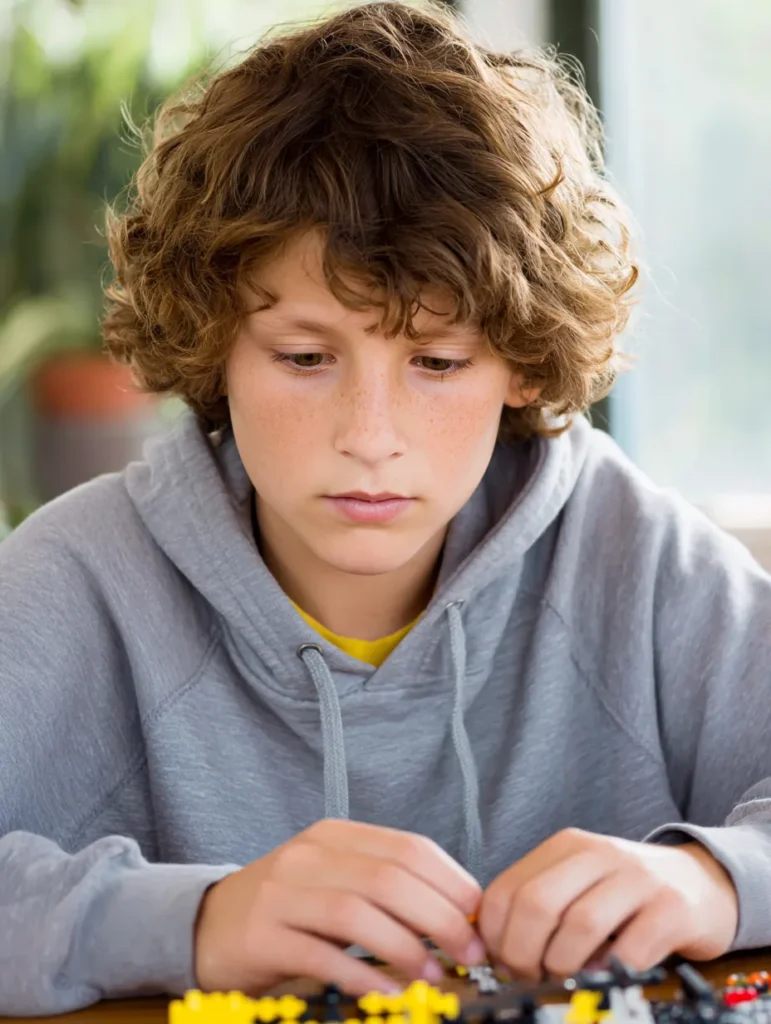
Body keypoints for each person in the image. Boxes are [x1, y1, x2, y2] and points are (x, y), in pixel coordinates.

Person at [1, 0, 769, 1016]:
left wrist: (715, 880)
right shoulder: (78, 578)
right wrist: (196, 920)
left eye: (439, 362)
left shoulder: (639, 557)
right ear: (214, 343)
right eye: (306, 357)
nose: (371, 433)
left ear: (523, 369)